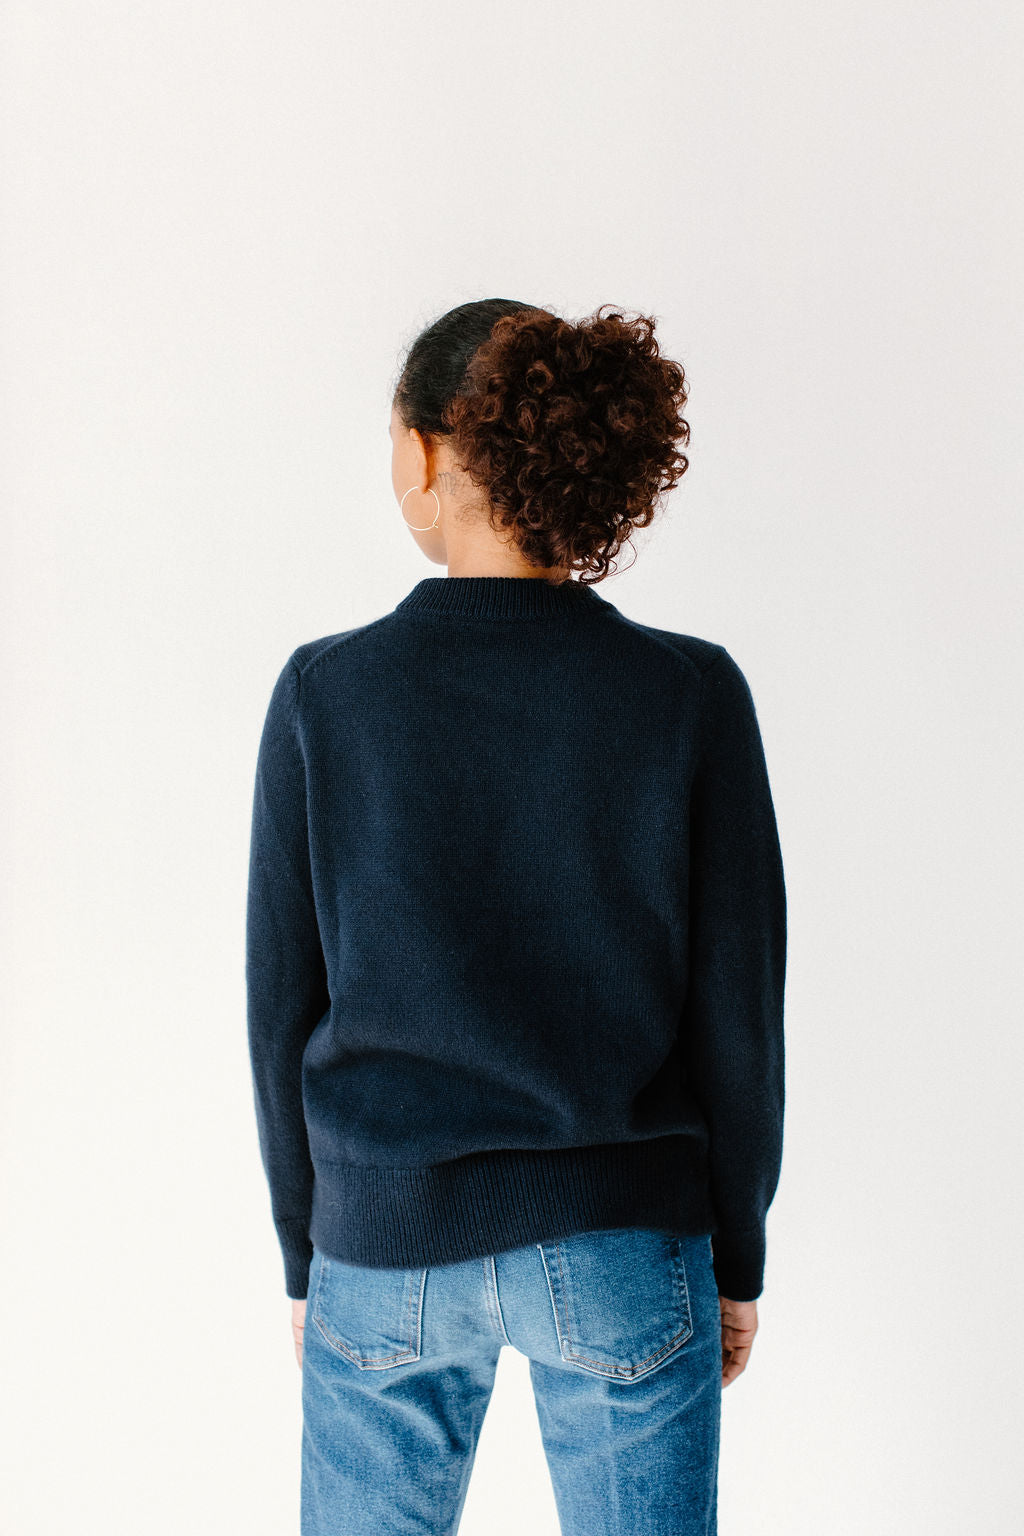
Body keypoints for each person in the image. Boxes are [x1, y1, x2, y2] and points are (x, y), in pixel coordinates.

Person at [245, 299, 787, 1535]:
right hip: (623, 1242)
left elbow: (282, 1003)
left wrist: (303, 1248)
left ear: (427, 455)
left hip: (380, 1243)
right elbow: (738, 1011)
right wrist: (735, 1257)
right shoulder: (688, 693)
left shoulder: (327, 693)